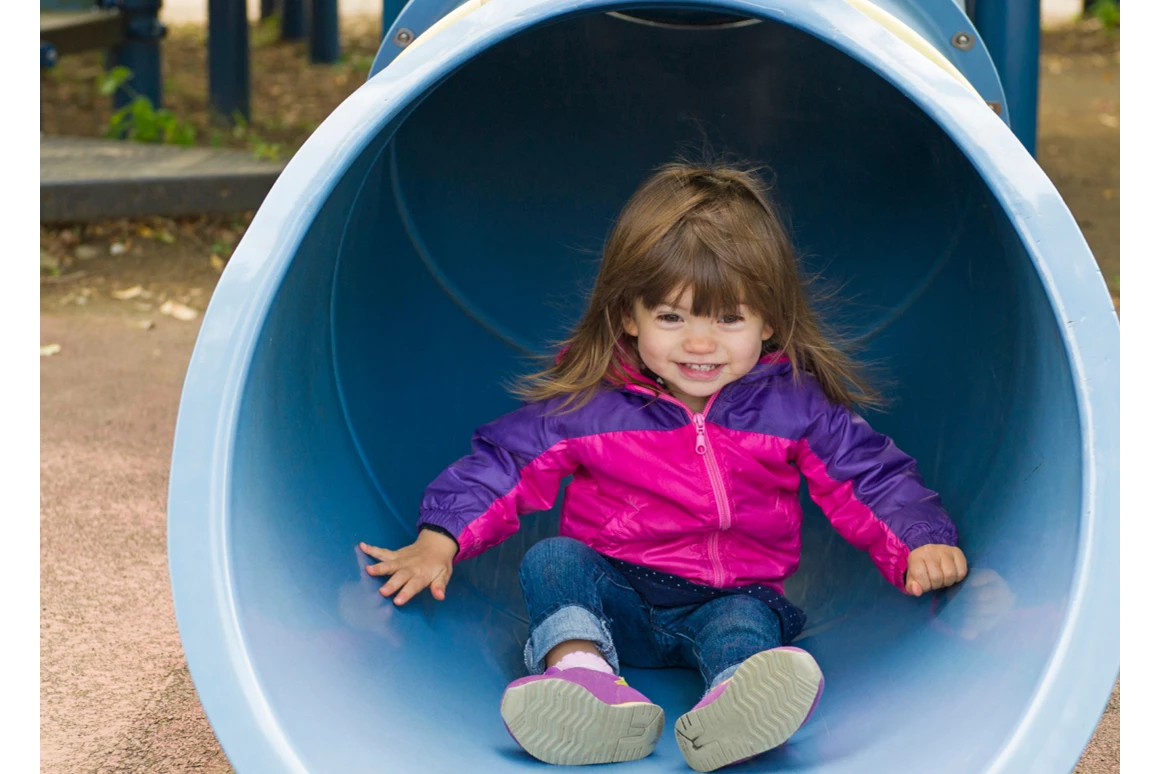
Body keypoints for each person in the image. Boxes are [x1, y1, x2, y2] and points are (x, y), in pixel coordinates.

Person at [359, 160, 968, 772]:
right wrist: (441, 537)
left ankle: (737, 703)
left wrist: (918, 539)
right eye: (672, 318)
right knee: (554, 561)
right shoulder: (593, 403)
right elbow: (508, 461)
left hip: (729, 596)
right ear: (629, 316)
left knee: (747, 624)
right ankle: (584, 678)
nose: (700, 344)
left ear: (771, 320)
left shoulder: (794, 405)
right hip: (616, 600)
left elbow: (868, 474)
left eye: (729, 318)